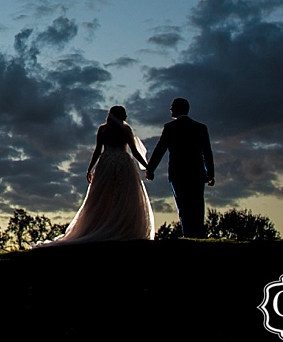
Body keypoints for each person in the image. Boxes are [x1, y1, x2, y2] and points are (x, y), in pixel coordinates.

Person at [35, 105, 154, 246]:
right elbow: (134, 152)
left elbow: (97, 151)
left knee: (103, 196)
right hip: (123, 163)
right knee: (124, 196)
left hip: (106, 163)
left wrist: (90, 168)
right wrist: (148, 167)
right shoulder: (125, 130)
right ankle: (121, 226)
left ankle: (104, 225)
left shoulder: (103, 129)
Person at [145, 97, 215, 238]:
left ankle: (188, 234)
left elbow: (160, 149)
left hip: (178, 173)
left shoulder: (170, 128)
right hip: (197, 173)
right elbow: (207, 152)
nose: (170, 109)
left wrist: (150, 169)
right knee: (197, 205)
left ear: (178, 108)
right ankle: (198, 234)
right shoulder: (200, 128)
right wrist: (210, 173)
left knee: (183, 206)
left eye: (172, 106)